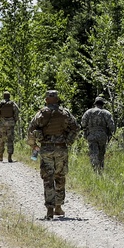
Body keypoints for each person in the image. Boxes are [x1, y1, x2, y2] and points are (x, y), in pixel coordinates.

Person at [27, 90, 79, 220]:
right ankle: (58, 207)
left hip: (46, 149)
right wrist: (69, 141)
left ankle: (49, 209)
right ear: (57, 99)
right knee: (60, 176)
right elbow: (76, 127)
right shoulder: (65, 113)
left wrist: (33, 145)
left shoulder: (41, 114)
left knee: (48, 178)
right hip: (61, 148)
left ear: (46, 100)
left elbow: (31, 130)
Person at [80, 97, 116, 173]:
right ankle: (100, 171)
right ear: (102, 104)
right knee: (101, 154)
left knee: (93, 153)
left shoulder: (88, 112)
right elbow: (112, 126)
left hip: (91, 135)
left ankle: (95, 171)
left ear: (95, 103)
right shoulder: (106, 113)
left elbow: (83, 124)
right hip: (102, 136)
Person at [0, 90, 20, 162]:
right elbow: (17, 113)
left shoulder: (0, 104)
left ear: (3, 96)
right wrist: (14, 120)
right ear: (9, 96)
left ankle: (1, 155)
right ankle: (9, 157)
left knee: (1, 139)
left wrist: (0, 118)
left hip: (2, 124)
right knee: (10, 140)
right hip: (11, 124)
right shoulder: (13, 104)